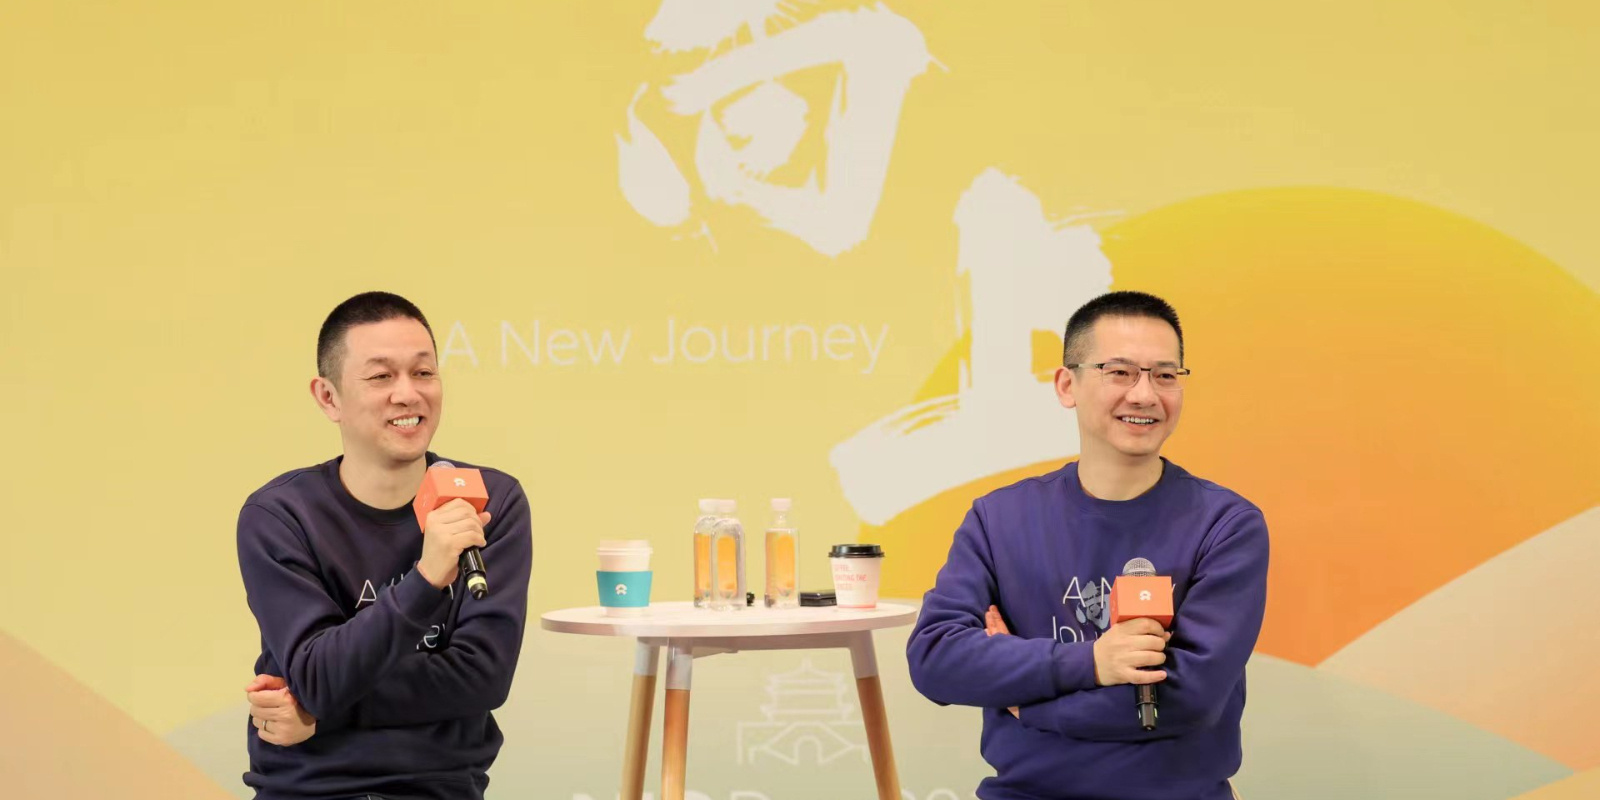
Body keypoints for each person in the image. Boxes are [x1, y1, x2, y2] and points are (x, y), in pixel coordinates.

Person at [906, 290, 1269, 800]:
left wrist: (1027, 703)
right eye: (1119, 372)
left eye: (1165, 375)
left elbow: (1187, 698)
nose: (1144, 394)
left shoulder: (1226, 525)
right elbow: (936, 659)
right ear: (1066, 384)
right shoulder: (998, 518)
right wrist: (1092, 662)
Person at [236, 291, 532, 799]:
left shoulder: (488, 501)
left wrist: (319, 709)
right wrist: (426, 580)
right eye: (380, 377)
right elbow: (317, 674)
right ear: (328, 398)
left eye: (423, 372)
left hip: (438, 789)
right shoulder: (280, 516)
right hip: (310, 791)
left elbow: (482, 677)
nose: (408, 394)